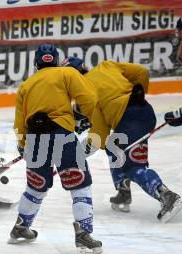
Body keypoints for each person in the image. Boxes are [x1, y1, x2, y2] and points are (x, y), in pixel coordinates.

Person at [63, 56, 182, 223]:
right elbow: (142, 72)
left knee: (132, 165)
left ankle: (167, 196)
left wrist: (76, 154)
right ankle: (123, 191)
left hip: (130, 121)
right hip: (143, 112)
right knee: (114, 147)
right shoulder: (106, 66)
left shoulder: (86, 91)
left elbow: (98, 138)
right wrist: (138, 96)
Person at [9, 44, 102, 254]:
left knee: (36, 186)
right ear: (57, 60)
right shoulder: (66, 72)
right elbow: (89, 99)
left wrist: (23, 146)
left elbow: (19, 123)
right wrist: (88, 118)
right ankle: (84, 235)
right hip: (62, 135)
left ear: (36, 62)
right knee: (79, 185)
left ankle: (21, 227)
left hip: (33, 139)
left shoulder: (26, 85)